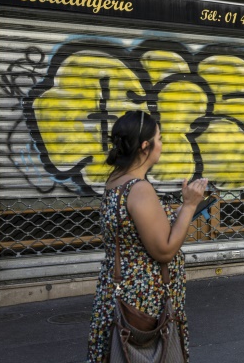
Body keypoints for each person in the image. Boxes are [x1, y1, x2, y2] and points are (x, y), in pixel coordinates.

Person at [87, 110, 208, 362]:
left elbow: (135, 235)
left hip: (119, 292)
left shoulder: (116, 181)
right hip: (143, 300)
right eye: (159, 138)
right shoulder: (139, 189)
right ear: (145, 146)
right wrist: (189, 206)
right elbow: (163, 250)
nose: (162, 145)